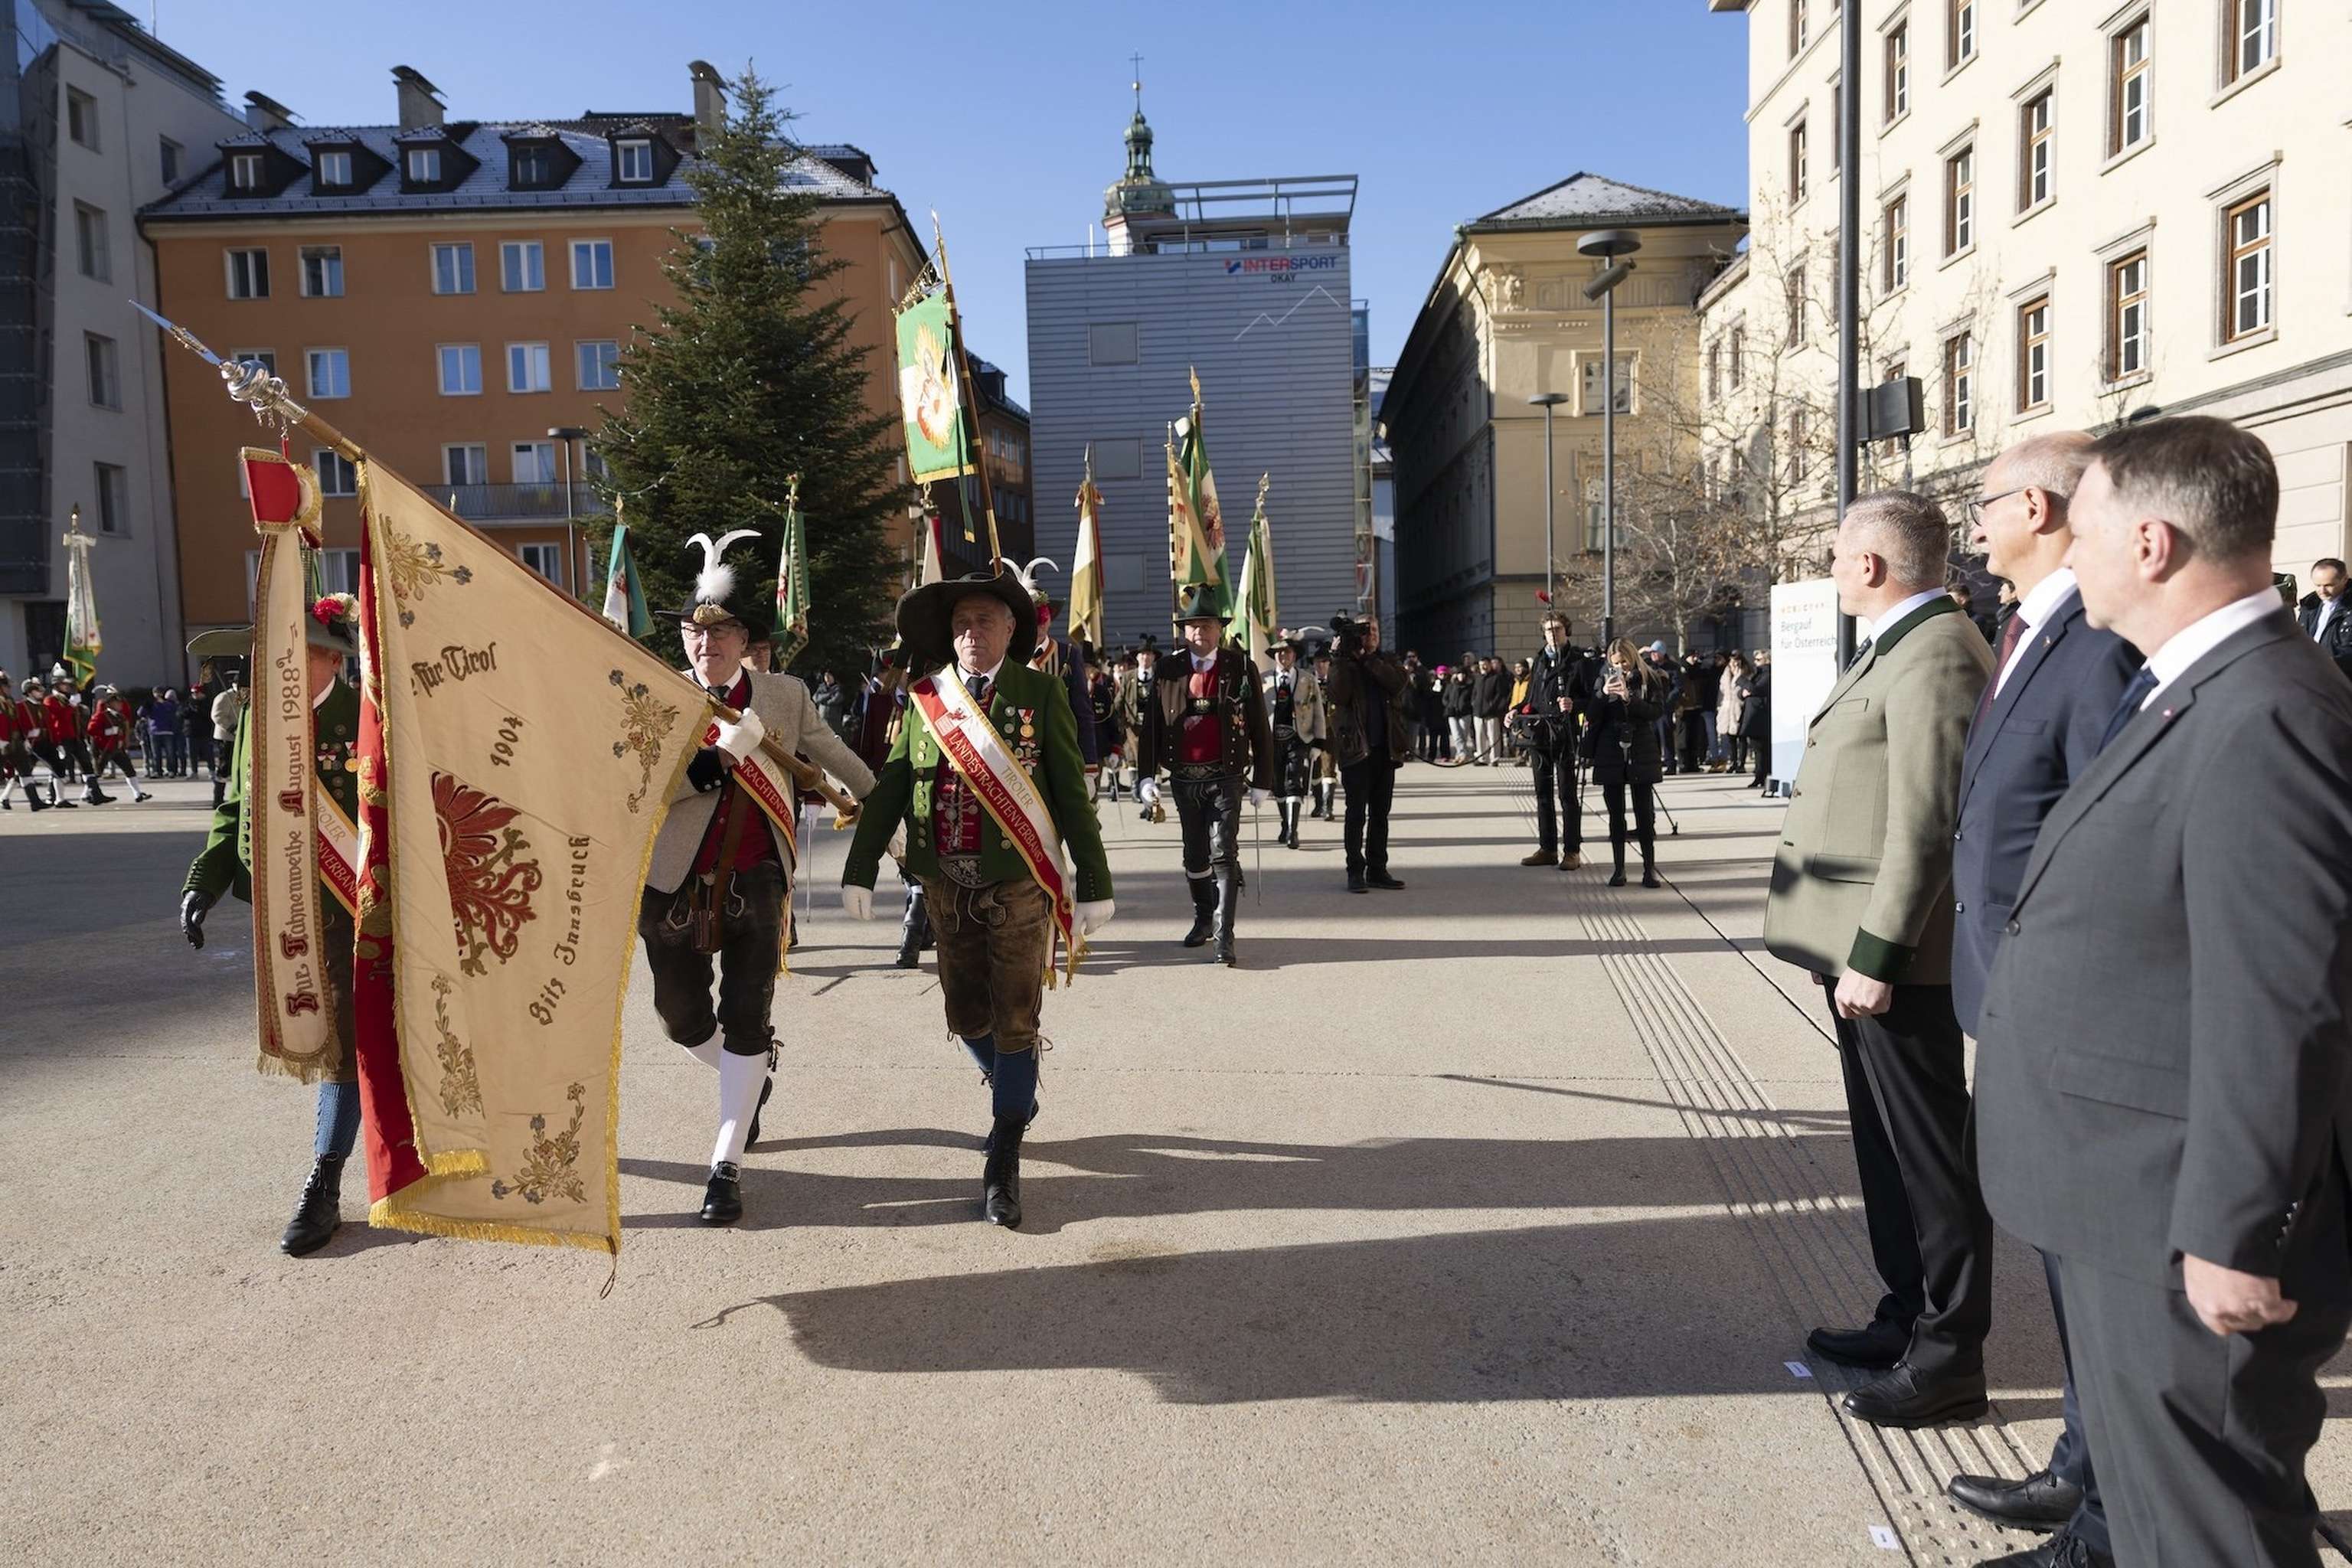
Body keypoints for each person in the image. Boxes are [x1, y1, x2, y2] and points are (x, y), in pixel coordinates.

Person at [1976, 417, 2352, 1568]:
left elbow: (2281, 993)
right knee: (2156, 1526)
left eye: (2082, 534)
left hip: (2182, 1223)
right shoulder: (2199, 688)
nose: (2068, 559)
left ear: (2149, 543)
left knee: (2211, 1535)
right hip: (2129, 1200)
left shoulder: (2270, 709)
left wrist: (2234, 1231)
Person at [1935, 433, 2140, 1568]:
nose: (1972, 521)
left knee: (2092, 1260)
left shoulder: (2095, 643)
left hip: (2064, 1001)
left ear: (2044, 506)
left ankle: (2108, 1499)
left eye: (1987, 501)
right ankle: (2082, 1466)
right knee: (2060, 1252)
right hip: (2010, 990)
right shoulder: (2028, 626)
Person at [1762, 489, 1994, 1430]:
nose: (1829, 568)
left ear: (1869, 566)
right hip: (1861, 951)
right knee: (1888, 1149)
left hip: (1896, 959)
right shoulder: (1901, 642)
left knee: (1932, 1158)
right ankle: (1906, 1314)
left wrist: (1879, 950)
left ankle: (1949, 1356)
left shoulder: (1937, 649)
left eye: (1834, 555)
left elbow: (1927, 821)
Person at [840, 567, 1115, 1229]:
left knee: (1016, 1016)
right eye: (961, 624)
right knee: (966, 1016)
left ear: (1011, 629)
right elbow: (893, 785)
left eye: (985, 622)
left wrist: (1094, 881)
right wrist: (859, 867)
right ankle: (1016, 1094)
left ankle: (1004, 1153)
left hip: (1018, 884)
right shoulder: (927, 699)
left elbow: (1071, 800)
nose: (971, 634)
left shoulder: (1040, 694)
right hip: (944, 887)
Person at [637, 539, 876, 1226]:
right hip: (671, 881)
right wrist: (709, 770)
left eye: (718, 632)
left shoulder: (784, 695)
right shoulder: (659, 695)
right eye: (693, 631)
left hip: (758, 877)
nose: (704, 642)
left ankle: (725, 1165)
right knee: (682, 1020)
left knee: (748, 1019)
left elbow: (834, 757)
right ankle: (749, 1079)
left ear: (745, 640)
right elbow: (637, 789)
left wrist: (889, 812)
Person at [178, 600, 361, 1256]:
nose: (265, 666)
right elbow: (235, 806)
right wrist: (204, 881)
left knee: (344, 1037)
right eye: (262, 654)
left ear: (332, 659)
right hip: (280, 911)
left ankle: (325, 1182)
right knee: (320, 1031)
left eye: (288, 652)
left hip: (350, 908)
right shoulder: (256, 715)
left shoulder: (367, 716)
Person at [1135, 586, 1276, 964]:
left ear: (1220, 629)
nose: (1201, 633)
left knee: (1223, 853)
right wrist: (1146, 776)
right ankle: (1202, 918)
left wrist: (1264, 779)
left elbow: (1260, 727)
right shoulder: (1168, 669)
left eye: (1208, 625)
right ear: (1185, 631)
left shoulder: (1239, 666)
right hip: (1183, 778)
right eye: (1194, 626)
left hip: (1226, 775)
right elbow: (1151, 728)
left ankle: (1223, 935)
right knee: (1195, 856)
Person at [1325, 612, 1410, 894]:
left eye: (1373, 629)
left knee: (1381, 815)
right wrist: (1339, 660)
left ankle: (1377, 868)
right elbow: (1337, 695)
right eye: (1364, 630)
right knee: (1356, 814)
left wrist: (1367, 659)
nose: (1370, 634)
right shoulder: (1346, 664)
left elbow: (1397, 683)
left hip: (1385, 750)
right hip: (1356, 750)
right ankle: (1355, 871)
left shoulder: (1389, 661)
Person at [1583, 640, 1664, 887]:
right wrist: (1603, 694)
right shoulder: (1602, 680)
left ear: (1633, 658)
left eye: (1624, 662)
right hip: (1611, 749)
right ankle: (1619, 869)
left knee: (1644, 813)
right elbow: (1591, 715)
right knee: (1616, 813)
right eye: (1615, 663)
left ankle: (1649, 869)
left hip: (1641, 747)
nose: (1620, 667)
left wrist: (1631, 699)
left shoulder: (1649, 678)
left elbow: (1656, 712)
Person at [1521, 612, 1588, 869]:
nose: (1553, 633)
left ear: (1566, 630)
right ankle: (1547, 848)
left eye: (1557, 629)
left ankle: (1572, 851)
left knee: (1567, 795)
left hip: (1565, 735)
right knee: (1542, 794)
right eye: (1548, 630)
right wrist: (1515, 711)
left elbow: (1591, 698)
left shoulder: (1578, 661)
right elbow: (1531, 698)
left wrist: (1574, 704)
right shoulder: (1539, 660)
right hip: (1539, 735)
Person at [1263, 632, 1326, 850]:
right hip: (1273, 741)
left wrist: (1319, 742)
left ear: (1294, 655)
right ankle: (1284, 823)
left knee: (1294, 783)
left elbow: (1318, 711)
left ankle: (1293, 830)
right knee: (1278, 786)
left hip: (1299, 739)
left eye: (1288, 652)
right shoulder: (1264, 681)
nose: (1284, 656)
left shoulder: (1307, 679)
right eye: (1279, 652)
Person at [86, 686, 152, 801]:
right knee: (97, 772)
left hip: (117, 748)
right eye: (117, 703)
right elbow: (91, 730)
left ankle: (137, 794)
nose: (120, 705)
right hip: (103, 749)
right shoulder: (101, 716)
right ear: (110, 704)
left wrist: (123, 742)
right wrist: (107, 732)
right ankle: (87, 794)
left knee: (129, 770)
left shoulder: (120, 717)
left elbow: (122, 731)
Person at [2297, 557, 2352, 679]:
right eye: (2318, 585)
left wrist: (2330, 662)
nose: (2322, 591)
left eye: (2329, 585)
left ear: (2345, 580)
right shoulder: (2310, 606)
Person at [0, 671, 47, 812]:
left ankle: (35, 802)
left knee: (25, 770)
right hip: (2, 743)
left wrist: (24, 739)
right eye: (6, 686)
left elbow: (16, 722)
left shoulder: (9, 701)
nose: (9, 688)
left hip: (15, 742)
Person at [209, 675, 247, 808]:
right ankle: (217, 798)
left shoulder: (244, 696)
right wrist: (231, 727)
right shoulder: (224, 697)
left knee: (238, 766)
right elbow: (217, 715)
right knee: (224, 767)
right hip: (225, 737)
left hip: (239, 736)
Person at [1739, 652, 1772, 790]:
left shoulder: (1768, 674)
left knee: (1763, 749)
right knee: (1757, 747)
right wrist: (1743, 692)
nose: (1755, 662)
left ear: (1767, 660)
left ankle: (1763, 774)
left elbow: (1757, 689)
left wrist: (1741, 680)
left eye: (1759, 659)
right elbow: (1745, 691)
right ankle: (1759, 775)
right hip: (1752, 715)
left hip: (1761, 715)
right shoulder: (1757, 674)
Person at [1472, 654, 1510, 765]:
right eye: (1481, 665)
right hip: (1478, 712)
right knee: (1479, 736)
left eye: (1485, 665)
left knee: (1493, 736)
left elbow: (1500, 695)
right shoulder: (1478, 678)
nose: (1483, 667)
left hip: (1492, 713)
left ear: (1490, 665)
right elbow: (1474, 693)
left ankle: (1494, 759)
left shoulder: (1496, 677)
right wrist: (1474, 703)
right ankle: (1482, 758)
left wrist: (1493, 707)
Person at [146, 688, 186, 778]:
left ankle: (171, 770)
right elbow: (141, 713)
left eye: (160, 693)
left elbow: (173, 712)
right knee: (156, 754)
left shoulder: (169, 704)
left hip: (167, 731)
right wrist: (146, 705)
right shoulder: (152, 704)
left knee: (170, 753)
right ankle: (157, 771)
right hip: (155, 731)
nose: (158, 695)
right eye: (156, 693)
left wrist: (163, 703)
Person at [1442, 660, 1475, 764]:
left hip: (1465, 713)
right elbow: (1445, 698)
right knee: (1456, 736)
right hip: (1452, 713)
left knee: (1463, 736)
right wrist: (1449, 705)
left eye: (1463, 674)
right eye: (1459, 673)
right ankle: (1462, 754)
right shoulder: (1451, 685)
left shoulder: (1470, 686)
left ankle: (1460, 754)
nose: (1461, 676)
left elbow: (1473, 698)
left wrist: (1467, 706)